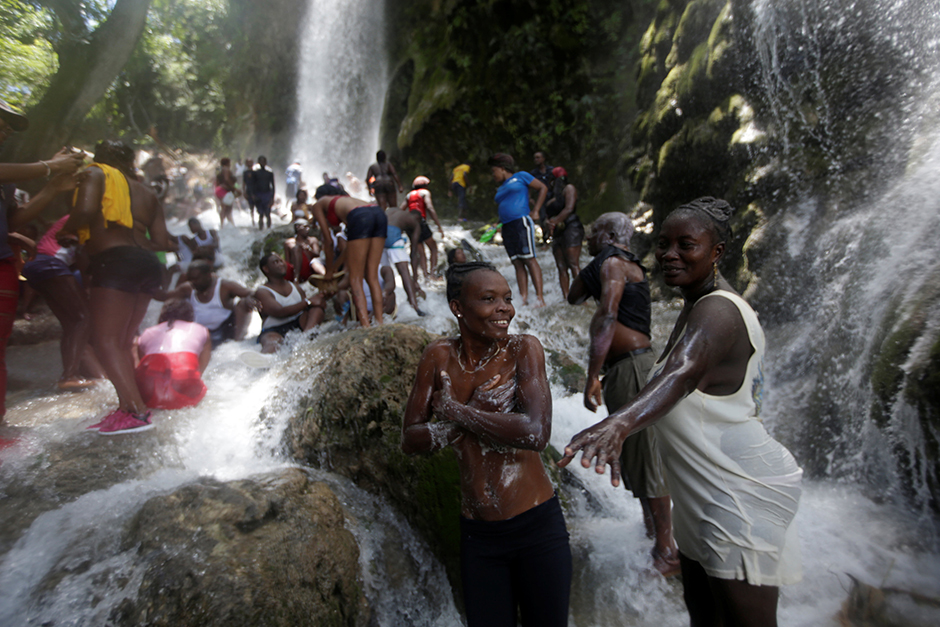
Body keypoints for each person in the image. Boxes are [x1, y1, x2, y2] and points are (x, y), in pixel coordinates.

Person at [559, 198, 803, 627]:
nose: (670, 254)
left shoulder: (718, 310)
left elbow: (681, 372)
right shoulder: (696, 302)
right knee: (705, 615)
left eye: (686, 245)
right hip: (700, 493)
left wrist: (619, 422)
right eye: (663, 244)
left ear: (717, 252)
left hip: (737, 492)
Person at [402, 261, 571, 627]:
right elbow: (410, 439)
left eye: (507, 298)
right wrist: (454, 425)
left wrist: (456, 413)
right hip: (479, 537)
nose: (505, 308)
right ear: (458, 307)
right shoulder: (438, 356)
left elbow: (535, 433)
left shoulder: (524, 350)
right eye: (489, 299)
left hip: (536, 527)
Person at [566, 211, 679, 576]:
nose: (588, 237)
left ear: (610, 234)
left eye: (594, 231)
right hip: (624, 369)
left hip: (632, 366)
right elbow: (573, 296)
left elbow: (607, 315)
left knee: (646, 453)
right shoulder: (607, 263)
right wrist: (588, 264)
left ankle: (668, 550)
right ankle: (653, 533)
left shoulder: (615, 263)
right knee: (631, 452)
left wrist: (591, 376)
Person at [66, 140, 170, 435]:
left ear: (102, 157)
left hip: (114, 263)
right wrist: (136, 248)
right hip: (147, 264)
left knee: (107, 341)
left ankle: (137, 413)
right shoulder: (148, 193)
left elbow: (85, 210)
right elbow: (162, 243)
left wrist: (65, 230)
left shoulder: (97, 174)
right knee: (124, 341)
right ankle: (129, 406)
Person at [0, 100, 86, 423]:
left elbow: (15, 218)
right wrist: (50, 166)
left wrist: (52, 188)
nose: (6, 129)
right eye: (2, 121)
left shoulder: (6, 181)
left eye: (10, 124)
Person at [21, 215, 105, 389]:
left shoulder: (77, 218)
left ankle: (70, 374)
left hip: (36, 265)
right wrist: (88, 287)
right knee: (84, 318)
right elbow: (83, 256)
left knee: (71, 323)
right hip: (49, 263)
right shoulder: (84, 217)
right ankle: (69, 375)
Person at [309, 195, 387, 328]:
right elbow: (350, 247)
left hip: (360, 216)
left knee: (355, 279)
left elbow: (327, 242)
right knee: (372, 276)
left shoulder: (317, 206)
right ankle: (380, 323)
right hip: (379, 213)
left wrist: (328, 272)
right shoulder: (344, 202)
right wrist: (334, 267)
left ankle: (365, 326)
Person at [488, 153, 548, 307]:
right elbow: (507, 205)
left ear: (502, 168)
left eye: (494, 171)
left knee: (529, 258)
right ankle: (523, 298)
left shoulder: (521, 176)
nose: (493, 175)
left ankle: (540, 298)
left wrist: (536, 210)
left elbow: (542, 188)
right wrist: (497, 224)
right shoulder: (501, 187)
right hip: (506, 226)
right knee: (517, 262)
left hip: (521, 222)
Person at [135, 299, 211, 411]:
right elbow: (201, 366)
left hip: (149, 391)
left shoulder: (147, 332)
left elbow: (143, 364)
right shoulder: (201, 330)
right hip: (185, 386)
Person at [161, 260, 256, 349]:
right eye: (191, 279)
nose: (193, 282)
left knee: (243, 303)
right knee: (175, 306)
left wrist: (249, 299)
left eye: (196, 279)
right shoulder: (188, 288)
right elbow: (165, 297)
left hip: (226, 330)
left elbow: (251, 293)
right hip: (201, 333)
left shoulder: (225, 286)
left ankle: (237, 343)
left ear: (208, 275)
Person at [255, 252, 326, 353]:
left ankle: (305, 339)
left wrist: (321, 299)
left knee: (317, 309)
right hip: (273, 329)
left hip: (298, 324)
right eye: (275, 262)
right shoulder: (262, 291)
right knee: (273, 343)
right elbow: (279, 312)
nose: (281, 264)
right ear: (266, 269)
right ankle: (263, 359)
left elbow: (308, 308)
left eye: (281, 261)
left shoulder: (295, 287)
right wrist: (308, 301)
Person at [543, 167, 584, 299]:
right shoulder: (552, 196)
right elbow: (546, 215)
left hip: (571, 228)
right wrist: (548, 223)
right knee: (561, 266)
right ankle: (566, 297)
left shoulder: (569, 188)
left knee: (573, 263)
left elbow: (569, 208)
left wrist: (554, 221)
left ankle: (581, 297)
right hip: (557, 232)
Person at [385, 204, 426, 315]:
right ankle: (414, 306)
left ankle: (377, 310)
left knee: (378, 271)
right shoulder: (415, 224)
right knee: (404, 271)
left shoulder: (394, 210)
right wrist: (415, 281)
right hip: (391, 233)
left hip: (375, 231)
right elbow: (413, 254)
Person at [402, 176, 445, 280]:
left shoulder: (408, 195)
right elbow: (429, 207)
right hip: (420, 222)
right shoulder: (425, 193)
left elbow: (401, 209)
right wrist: (438, 225)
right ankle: (432, 274)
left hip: (410, 223)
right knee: (433, 248)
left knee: (421, 252)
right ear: (425, 185)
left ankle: (425, 276)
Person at [284, 219, 324, 284]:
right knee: (296, 248)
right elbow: (287, 261)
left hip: (309, 268)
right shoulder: (289, 242)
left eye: (308, 227)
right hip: (295, 269)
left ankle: (297, 278)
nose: (308, 229)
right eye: (305, 227)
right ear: (297, 227)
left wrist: (308, 249)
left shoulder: (312, 240)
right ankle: (296, 277)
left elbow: (317, 255)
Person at [251, 156, 276, 230]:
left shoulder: (269, 173)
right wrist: (253, 195)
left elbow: (273, 186)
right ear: (258, 163)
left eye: (263, 161)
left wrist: (272, 197)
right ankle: (260, 229)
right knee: (261, 214)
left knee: (268, 213)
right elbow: (252, 184)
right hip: (259, 194)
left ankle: (269, 229)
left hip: (267, 194)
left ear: (266, 162)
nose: (262, 163)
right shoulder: (255, 174)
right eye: (260, 161)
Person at [530, 151, 555, 220]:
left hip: (552, 196)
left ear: (543, 159)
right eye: (535, 158)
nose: (536, 160)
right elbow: (530, 186)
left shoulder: (551, 170)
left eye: (538, 158)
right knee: (543, 217)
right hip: (541, 198)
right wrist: (530, 198)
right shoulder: (533, 173)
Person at [214, 157, 238, 227]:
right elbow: (227, 179)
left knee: (224, 207)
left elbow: (217, 181)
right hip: (225, 190)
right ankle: (226, 224)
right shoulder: (226, 169)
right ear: (227, 163)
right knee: (227, 208)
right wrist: (232, 188)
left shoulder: (219, 170)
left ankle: (224, 224)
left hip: (219, 190)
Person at [243, 158, 257, 226]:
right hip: (249, 191)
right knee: (251, 206)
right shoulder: (245, 173)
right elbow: (244, 183)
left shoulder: (255, 173)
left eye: (250, 162)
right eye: (248, 162)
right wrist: (244, 192)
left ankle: (258, 219)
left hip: (255, 191)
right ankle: (253, 220)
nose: (249, 164)